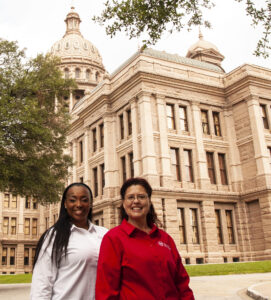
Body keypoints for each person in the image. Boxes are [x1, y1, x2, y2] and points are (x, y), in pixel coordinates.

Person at [95, 177, 195, 300]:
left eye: (141, 197)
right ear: (124, 203)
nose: (136, 201)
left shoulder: (165, 238)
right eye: (130, 197)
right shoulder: (113, 239)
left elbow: (182, 283)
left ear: (149, 201)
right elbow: (106, 291)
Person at [30, 182, 107, 300]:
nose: (79, 204)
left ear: (90, 203)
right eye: (73, 200)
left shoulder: (104, 234)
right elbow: (42, 283)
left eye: (84, 200)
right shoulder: (54, 236)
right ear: (65, 204)